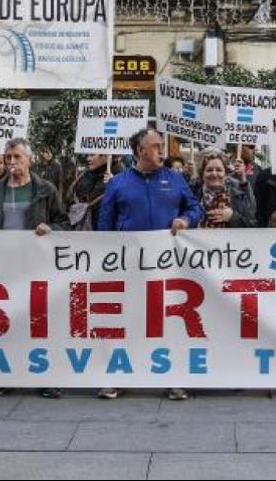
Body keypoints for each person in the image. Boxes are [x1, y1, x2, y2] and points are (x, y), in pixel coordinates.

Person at [96, 127, 202, 401]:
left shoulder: (175, 179)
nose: (162, 150)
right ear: (140, 150)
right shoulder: (118, 183)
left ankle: (173, 379)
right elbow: (104, 226)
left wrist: (185, 221)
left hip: (168, 266)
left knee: (169, 323)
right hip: (129, 266)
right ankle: (117, 377)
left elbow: (194, 208)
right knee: (125, 321)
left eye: (161, 145)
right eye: (156, 146)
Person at [0, 137, 67, 398]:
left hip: (37, 266)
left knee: (40, 322)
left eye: (17, 157)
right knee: (8, 323)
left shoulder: (45, 190)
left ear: (29, 160)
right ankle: (6, 376)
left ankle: (47, 377)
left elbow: (63, 222)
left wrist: (51, 228)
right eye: (8, 158)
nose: (11, 162)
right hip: (5, 268)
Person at [191, 151, 256, 228]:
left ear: (225, 174)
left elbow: (252, 224)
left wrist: (232, 217)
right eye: (209, 170)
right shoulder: (193, 195)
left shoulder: (238, 195)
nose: (214, 174)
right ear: (202, 174)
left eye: (219, 170)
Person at [70, 153, 115, 231]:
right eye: (88, 155)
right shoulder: (86, 174)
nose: (88, 159)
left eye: (92, 155)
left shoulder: (118, 175)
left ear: (105, 156)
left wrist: (115, 183)